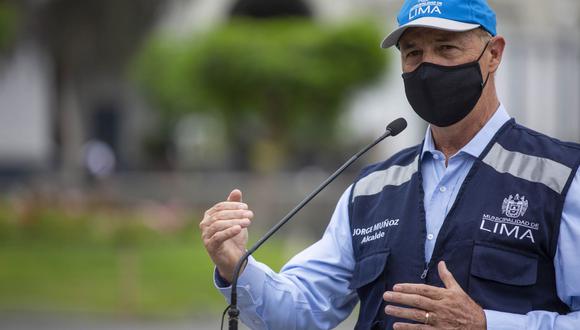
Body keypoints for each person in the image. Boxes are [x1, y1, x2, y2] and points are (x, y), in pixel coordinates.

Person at [199, 0, 580, 328]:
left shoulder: (561, 177)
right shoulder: (370, 189)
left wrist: (486, 324)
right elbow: (302, 309)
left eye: (446, 48)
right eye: (413, 53)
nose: (427, 67)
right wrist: (237, 267)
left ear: (493, 54)